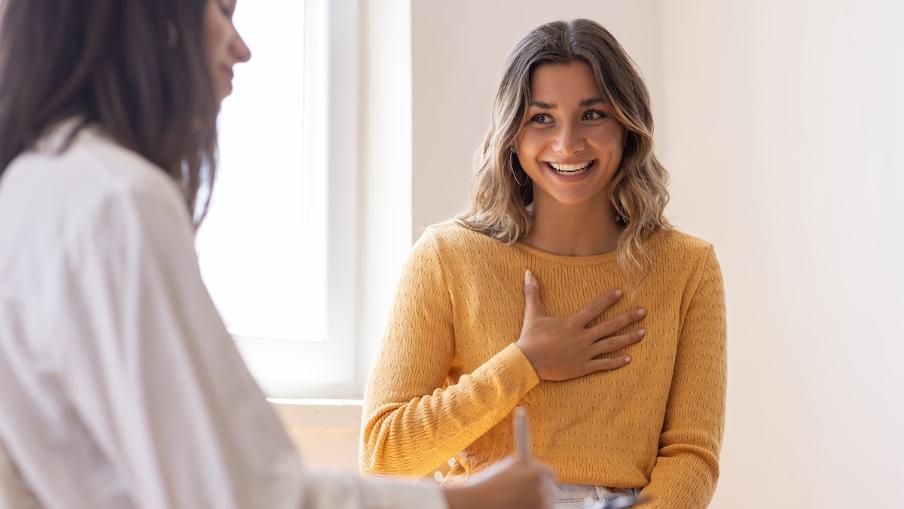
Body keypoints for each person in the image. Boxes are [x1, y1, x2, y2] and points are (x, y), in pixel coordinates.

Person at [0, 1, 557, 508]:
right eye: (221, 9)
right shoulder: (117, 206)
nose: (242, 47)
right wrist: (470, 500)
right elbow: (241, 496)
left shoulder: (30, 192)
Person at [361, 19, 727, 509]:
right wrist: (525, 362)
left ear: (627, 126)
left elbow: (691, 455)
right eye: (542, 118)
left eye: (593, 114)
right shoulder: (446, 257)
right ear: (512, 133)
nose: (568, 142)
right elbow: (384, 454)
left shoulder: (688, 267)